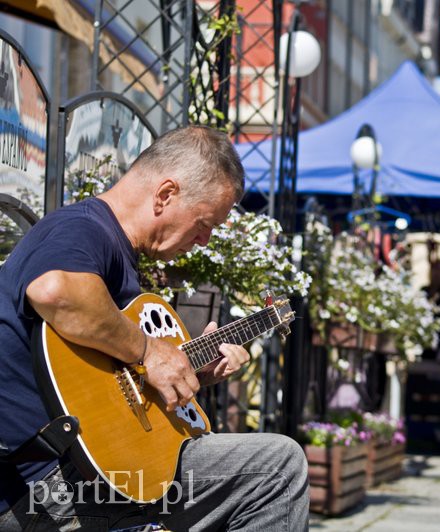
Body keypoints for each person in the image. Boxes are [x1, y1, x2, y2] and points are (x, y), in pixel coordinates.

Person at [0, 126, 309, 530]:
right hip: (49, 486)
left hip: (85, 477)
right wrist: (150, 351)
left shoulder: (114, 252)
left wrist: (185, 371)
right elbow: (56, 291)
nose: (205, 239)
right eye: (204, 223)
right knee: (277, 469)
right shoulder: (84, 229)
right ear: (165, 195)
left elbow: (99, 387)